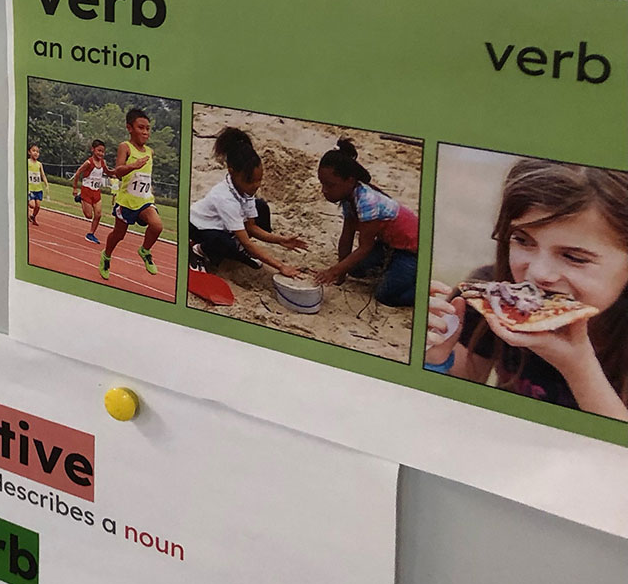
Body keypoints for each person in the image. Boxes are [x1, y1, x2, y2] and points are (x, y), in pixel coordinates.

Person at [425, 158, 628, 421]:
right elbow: (453, 404)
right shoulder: (488, 297)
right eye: (522, 240)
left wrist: (579, 367)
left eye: (574, 257)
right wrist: (434, 358)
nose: (538, 274)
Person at [189, 127, 308, 277]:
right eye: (250, 181)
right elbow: (247, 241)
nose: (256, 185)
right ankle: (198, 251)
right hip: (197, 227)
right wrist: (281, 266)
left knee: (261, 208)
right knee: (223, 242)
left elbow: (250, 227)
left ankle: (235, 249)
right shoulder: (225, 198)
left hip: (222, 226)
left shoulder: (245, 190)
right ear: (232, 172)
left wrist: (281, 240)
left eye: (259, 180)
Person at [313, 139, 417, 305]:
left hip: (411, 250)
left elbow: (365, 247)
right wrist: (341, 273)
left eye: (330, 185)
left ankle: (420, 287)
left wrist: (333, 271)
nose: (324, 190)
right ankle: (392, 267)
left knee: (385, 295)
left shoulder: (367, 201)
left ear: (350, 180)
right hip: (388, 245)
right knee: (353, 269)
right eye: (322, 184)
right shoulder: (349, 198)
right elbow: (346, 236)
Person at [101, 108, 162, 279]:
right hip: (126, 202)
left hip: (144, 200)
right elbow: (119, 171)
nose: (145, 132)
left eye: (148, 128)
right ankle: (106, 255)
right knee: (118, 235)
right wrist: (133, 166)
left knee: (157, 226)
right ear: (129, 128)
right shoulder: (125, 147)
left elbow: (145, 177)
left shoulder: (150, 152)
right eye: (141, 127)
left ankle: (145, 250)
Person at [70, 140, 109, 244]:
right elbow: (78, 173)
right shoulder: (88, 163)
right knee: (88, 216)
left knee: (98, 214)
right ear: (93, 150)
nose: (101, 153)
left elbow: (108, 172)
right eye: (98, 151)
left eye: (102, 151)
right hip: (86, 191)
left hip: (96, 192)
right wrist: (75, 187)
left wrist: (119, 173)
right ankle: (80, 197)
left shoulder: (103, 163)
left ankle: (91, 234)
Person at [25, 144, 46, 226]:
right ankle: (25, 208)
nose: (36, 153)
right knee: (32, 205)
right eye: (34, 151)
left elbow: (42, 174)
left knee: (38, 206)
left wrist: (46, 183)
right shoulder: (27, 162)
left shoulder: (39, 164)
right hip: (30, 187)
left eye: (37, 152)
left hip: (38, 188)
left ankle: (33, 216)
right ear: (29, 152)